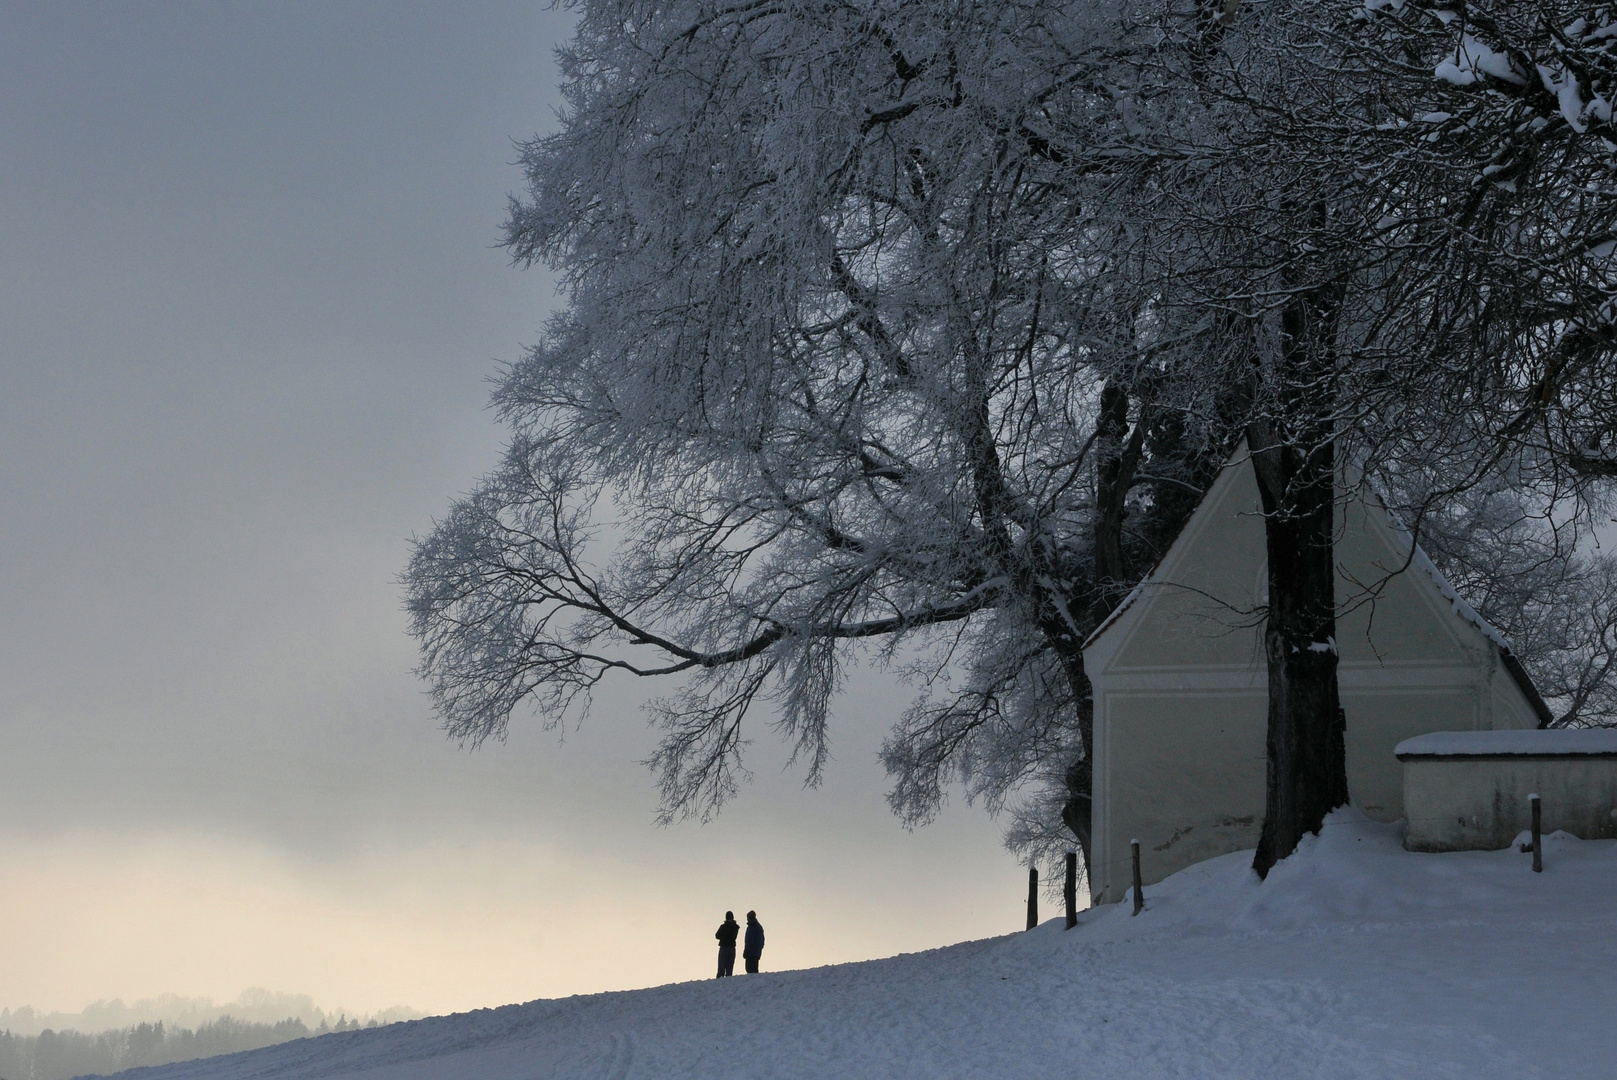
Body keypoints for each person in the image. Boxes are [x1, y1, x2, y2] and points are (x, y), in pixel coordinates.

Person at [715, 910, 740, 977]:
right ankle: (728, 983)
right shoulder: (735, 927)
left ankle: (720, 982)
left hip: (723, 947)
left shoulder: (723, 926)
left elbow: (717, 936)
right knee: (729, 968)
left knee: (721, 968)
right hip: (732, 948)